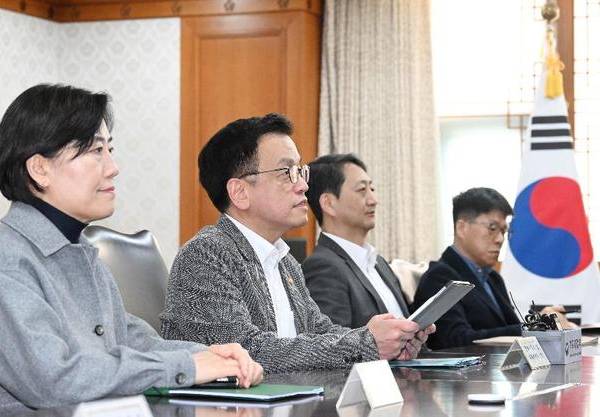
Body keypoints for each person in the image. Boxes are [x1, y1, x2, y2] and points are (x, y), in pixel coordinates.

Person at [0, 84, 262, 416]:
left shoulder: (80, 252)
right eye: (96, 150)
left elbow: (130, 340)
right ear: (40, 169)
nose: (113, 167)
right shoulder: (1, 260)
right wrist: (190, 365)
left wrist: (212, 355)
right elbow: (57, 380)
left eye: (109, 149)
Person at [160, 113, 434, 372]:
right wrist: (366, 344)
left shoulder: (286, 262)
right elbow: (245, 351)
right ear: (240, 192)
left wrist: (389, 341)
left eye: (300, 171)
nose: (303, 185)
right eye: (286, 172)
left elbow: (320, 331)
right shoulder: (206, 255)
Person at [413, 187, 573, 349]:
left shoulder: (492, 278)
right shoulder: (439, 277)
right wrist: (537, 326)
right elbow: (454, 341)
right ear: (462, 227)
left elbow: (511, 328)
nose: (500, 239)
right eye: (492, 228)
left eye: (504, 231)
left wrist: (540, 324)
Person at [302, 153, 410, 328]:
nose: (373, 200)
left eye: (372, 189)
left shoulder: (378, 262)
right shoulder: (323, 267)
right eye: (362, 190)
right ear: (329, 204)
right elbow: (333, 341)